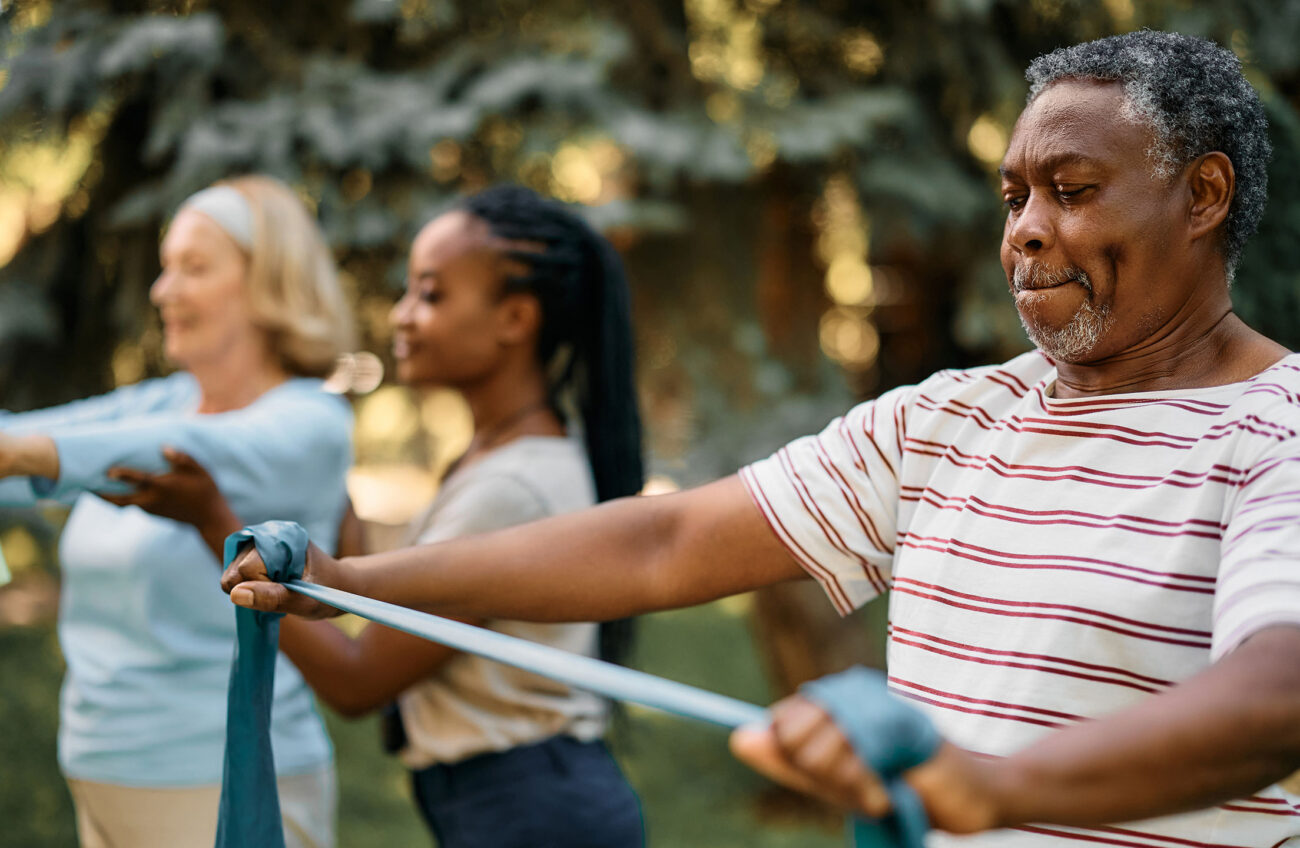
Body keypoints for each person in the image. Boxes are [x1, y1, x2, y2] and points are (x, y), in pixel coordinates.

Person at [223, 32, 1300, 847]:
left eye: (1070, 191)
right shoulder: (950, 419)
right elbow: (665, 541)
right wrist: (354, 576)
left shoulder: (1278, 428)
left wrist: (996, 785)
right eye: (1013, 193)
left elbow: (1275, 696)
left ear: (1202, 195)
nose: (1023, 228)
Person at [121, 185, 646, 848]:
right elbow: (381, 596)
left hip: (532, 811)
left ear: (515, 318)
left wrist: (210, 520)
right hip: (518, 796)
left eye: (430, 295)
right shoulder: (497, 456)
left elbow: (358, 678)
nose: (401, 315)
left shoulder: (511, 489)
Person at [0, 175, 354, 848]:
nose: (164, 292)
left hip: (226, 778)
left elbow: (173, 451)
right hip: (101, 773)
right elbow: (24, 452)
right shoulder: (159, 402)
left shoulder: (311, 420)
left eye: (194, 268)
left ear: (268, 283)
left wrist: (20, 452)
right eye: (165, 269)